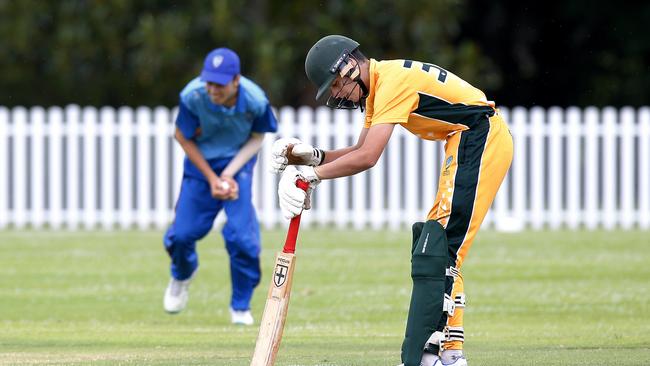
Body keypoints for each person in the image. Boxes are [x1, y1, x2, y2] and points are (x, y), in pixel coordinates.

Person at [271, 35, 513, 365]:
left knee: (440, 248)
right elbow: (358, 150)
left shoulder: (391, 81)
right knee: (439, 247)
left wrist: (311, 178)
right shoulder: (382, 81)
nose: (338, 94)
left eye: (337, 84)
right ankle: (450, 352)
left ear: (349, 66)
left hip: (479, 137)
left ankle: (436, 354)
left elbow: (368, 157)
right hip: (466, 139)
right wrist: (310, 158)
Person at [163, 47, 278, 325]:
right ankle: (182, 274)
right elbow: (182, 136)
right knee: (181, 236)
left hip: (237, 166)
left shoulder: (255, 100)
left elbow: (258, 137)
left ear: (235, 79)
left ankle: (240, 305)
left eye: (220, 83)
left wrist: (228, 174)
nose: (213, 89)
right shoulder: (193, 95)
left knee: (243, 239)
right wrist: (213, 179)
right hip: (200, 166)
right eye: (209, 82)